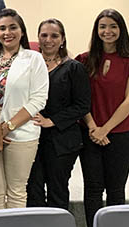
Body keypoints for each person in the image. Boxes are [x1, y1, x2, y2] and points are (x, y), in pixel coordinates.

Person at [76, 9, 129, 227]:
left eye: (113, 26)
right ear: (96, 31)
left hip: (122, 136)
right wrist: (93, 127)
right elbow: (80, 98)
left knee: (116, 191)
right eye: (102, 26)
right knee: (93, 191)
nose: (107, 31)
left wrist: (105, 129)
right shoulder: (84, 61)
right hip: (91, 134)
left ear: (121, 30)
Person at [0, 9, 48, 210]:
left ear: (22, 31)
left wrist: (7, 127)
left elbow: (38, 99)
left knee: (16, 191)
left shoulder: (34, 59)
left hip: (21, 133)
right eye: (2, 28)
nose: (8, 32)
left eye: (13, 27)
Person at [26, 19, 91, 209]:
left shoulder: (74, 68)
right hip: (31, 137)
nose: (48, 40)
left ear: (62, 39)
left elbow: (82, 105)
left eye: (54, 35)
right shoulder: (29, 65)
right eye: (44, 35)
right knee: (33, 188)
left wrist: (52, 121)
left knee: (57, 189)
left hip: (62, 140)